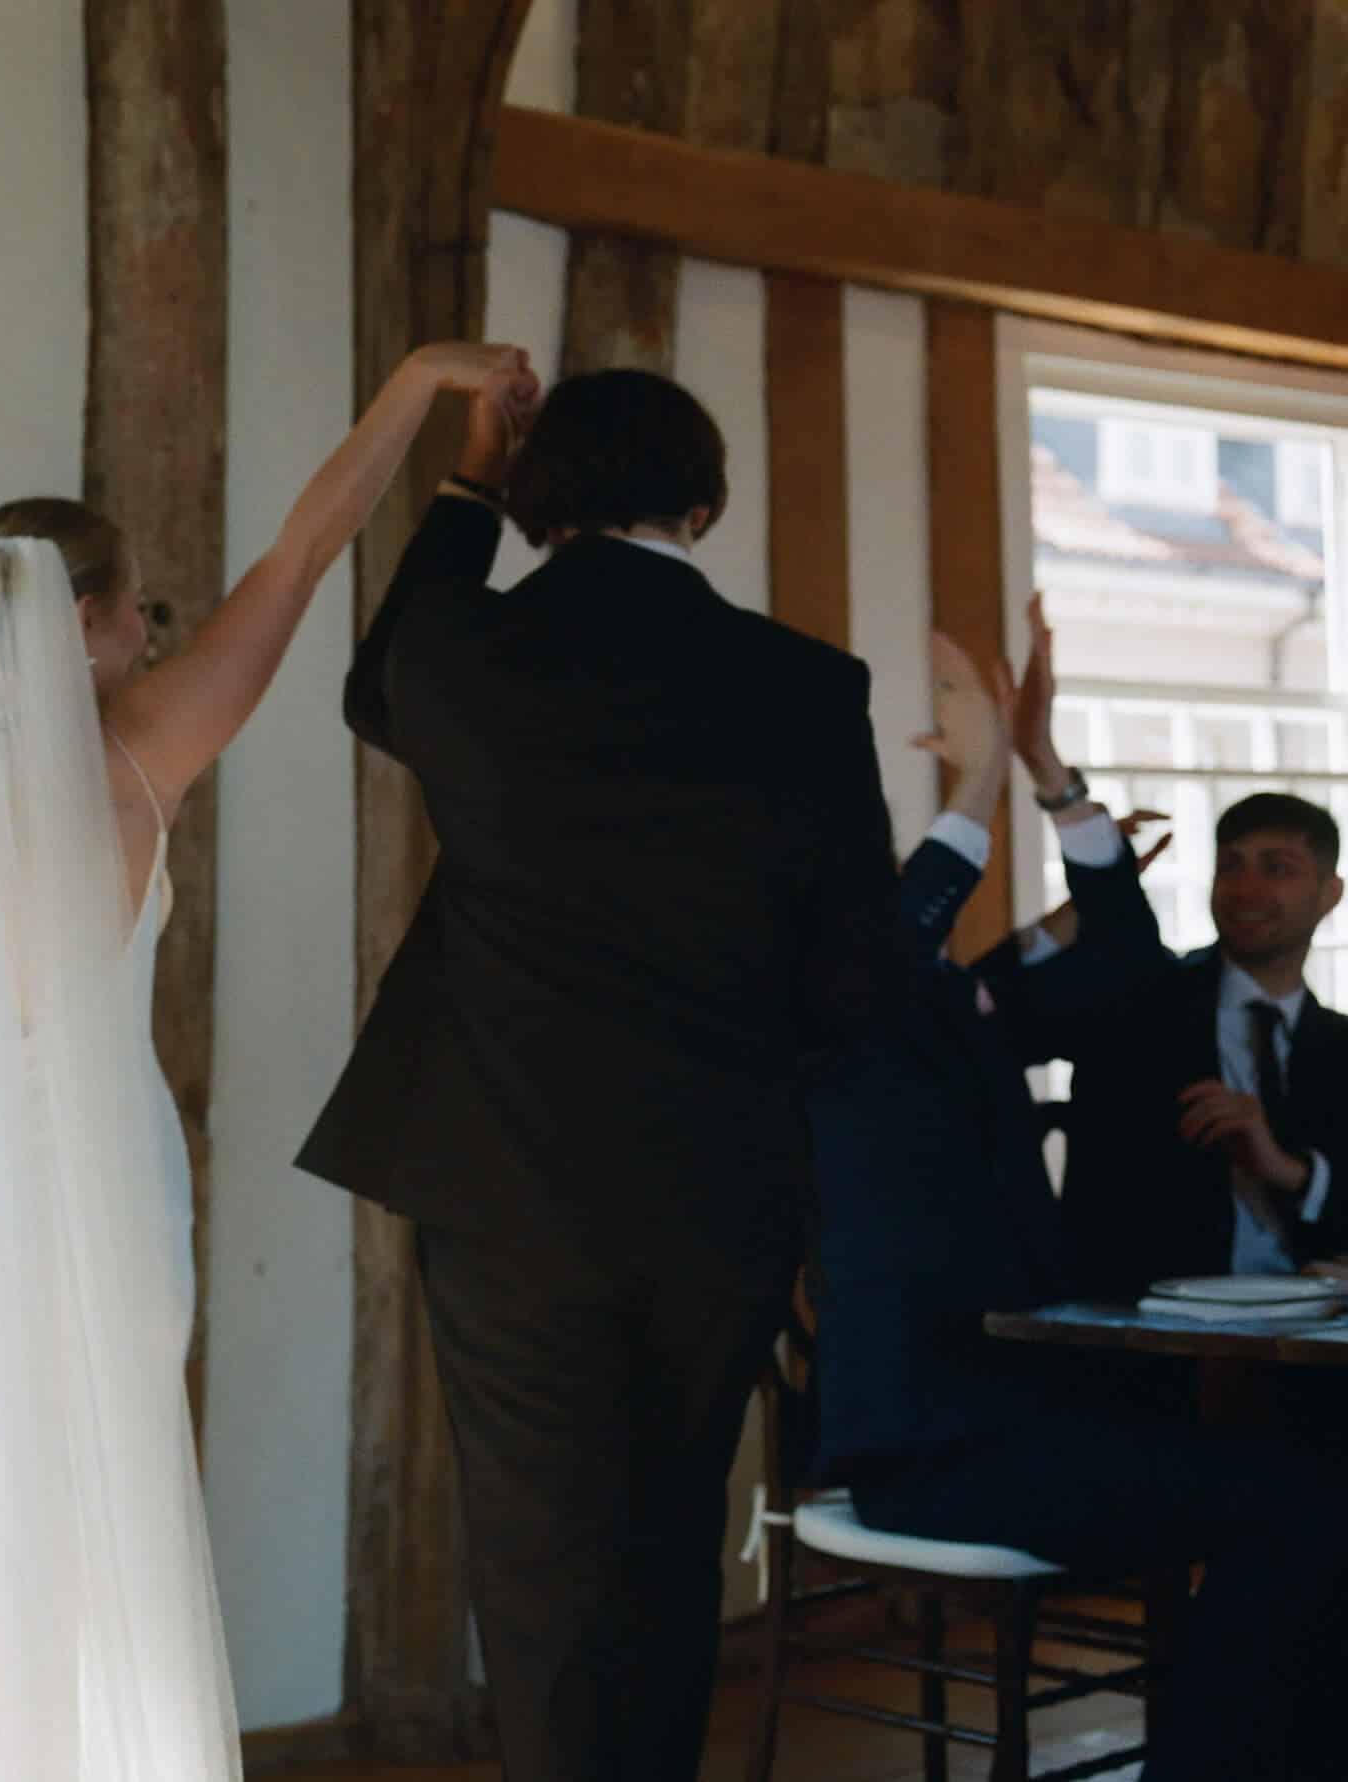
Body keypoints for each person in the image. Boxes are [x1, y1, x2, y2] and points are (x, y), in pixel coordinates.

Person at [0, 341, 539, 1781]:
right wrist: (422, 386)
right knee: (83, 1501)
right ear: (94, 621)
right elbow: (303, 555)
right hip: (91, 1164)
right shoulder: (138, 755)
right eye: (137, 615)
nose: (146, 636)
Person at [298, 367, 899, 1781]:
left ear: (533, 497)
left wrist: (462, 489)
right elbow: (855, 978)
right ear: (703, 505)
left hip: (502, 1177)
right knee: (668, 1545)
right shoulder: (808, 686)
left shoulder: (465, 656)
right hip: (719, 1180)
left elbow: (373, 687)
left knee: (540, 1561)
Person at [809, 617, 1348, 1782]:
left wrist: (1043, 769)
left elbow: (1082, 946)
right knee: (1301, 1511)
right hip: (944, 1436)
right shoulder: (847, 1013)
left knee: (1309, 1501)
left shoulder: (951, 1012)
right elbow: (918, 939)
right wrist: (988, 770)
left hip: (1013, 1406)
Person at [1058, 787, 1348, 1299]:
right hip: (1151, 1334)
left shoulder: (1343, 1048)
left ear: (1329, 894)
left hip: (1312, 1341)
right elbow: (1114, 930)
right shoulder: (1142, 1004)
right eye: (1230, 866)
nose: (1245, 889)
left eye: (1276, 869)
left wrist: (1286, 1170)